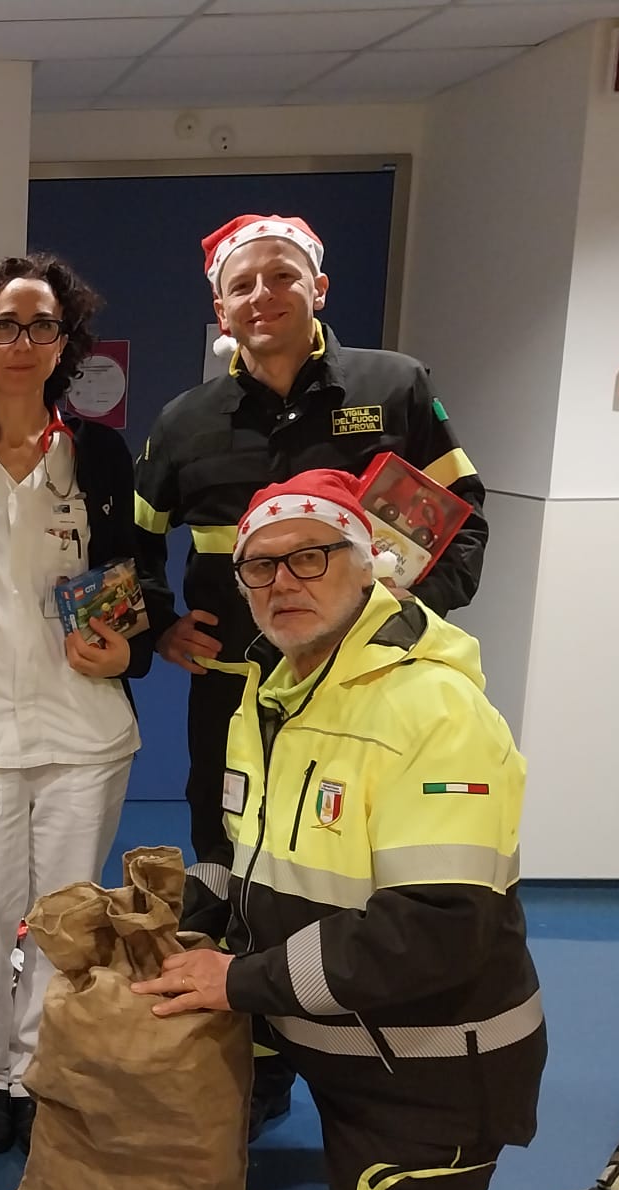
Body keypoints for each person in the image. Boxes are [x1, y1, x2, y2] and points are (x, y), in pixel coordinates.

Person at [134, 470, 619, 1190]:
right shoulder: (267, 694)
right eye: (260, 567)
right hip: (314, 1029)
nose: (282, 583)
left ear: (367, 561)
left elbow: (437, 929)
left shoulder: (437, 710)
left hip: (426, 1066)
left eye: (310, 557)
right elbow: (242, 859)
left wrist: (238, 980)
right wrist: (159, 922)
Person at [134, 214, 489, 1136]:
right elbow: (133, 537)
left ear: (317, 288)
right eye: (244, 285)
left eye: (282, 277)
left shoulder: (394, 387)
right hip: (237, 692)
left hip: (369, 694)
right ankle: (252, 1062)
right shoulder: (186, 421)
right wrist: (162, 622)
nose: (264, 296)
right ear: (221, 307)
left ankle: (351, 1042)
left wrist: (404, 631)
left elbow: (464, 523)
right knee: (231, 853)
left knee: (355, 868)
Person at [0, 254, 171, 1155]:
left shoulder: (96, 453)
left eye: (41, 325)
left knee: (63, 921)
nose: (22, 342)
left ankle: (29, 1069)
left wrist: (129, 645)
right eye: (3, 325)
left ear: (66, 342)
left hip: (81, 724)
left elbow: (137, 574)